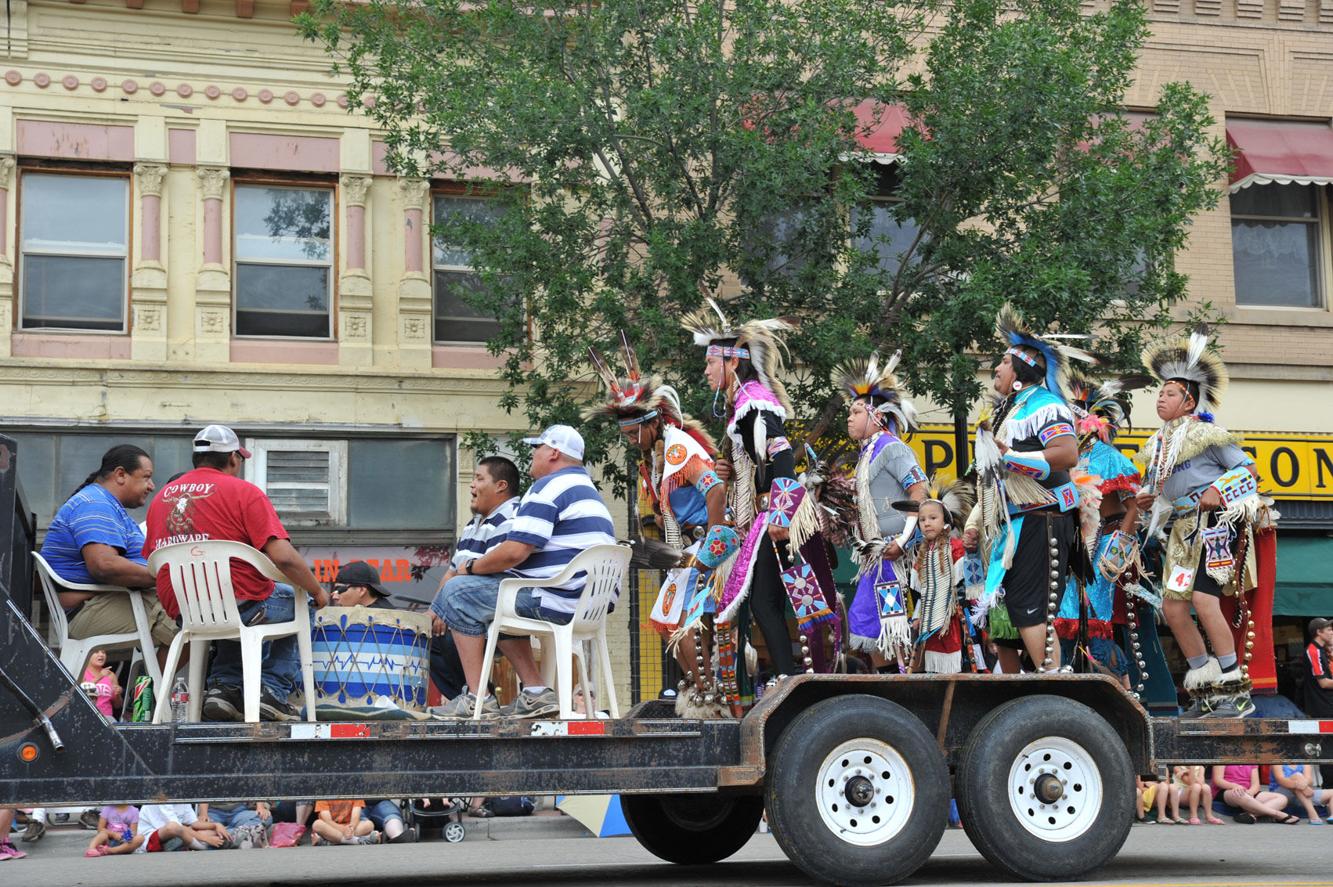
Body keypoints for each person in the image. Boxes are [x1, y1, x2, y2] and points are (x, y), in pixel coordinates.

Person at [143, 425, 329, 722]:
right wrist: (317, 591)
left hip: (186, 611)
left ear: (196, 458)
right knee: (298, 602)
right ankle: (271, 692)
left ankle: (223, 688)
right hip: (240, 605)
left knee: (234, 606)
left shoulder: (161, 498)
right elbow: (284, 557)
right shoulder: (244, 492)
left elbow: (154, 559)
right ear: (233, 458)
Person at [584, 336, 728, 716]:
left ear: (652, 423)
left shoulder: (678, 447)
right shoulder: (656, 456)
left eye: (634, 433)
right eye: (626, 435)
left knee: (683, 622)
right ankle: (701, 692)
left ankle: (710, 697)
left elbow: (716, 491)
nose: (631, 441)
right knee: (668, 622)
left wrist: (714, 549)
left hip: (706, 548)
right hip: (688, 552)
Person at [431, 425, 615, 718]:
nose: (533, 454)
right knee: (495, 602)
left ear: (553, 453)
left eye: (537, 448)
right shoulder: (588, 492)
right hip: (585, 603)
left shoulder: (548, 488)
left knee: (456, 593)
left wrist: (471, 567)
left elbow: (515, 551)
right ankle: (535, 692)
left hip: (555, 598)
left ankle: (478, 698)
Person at [682, 298, 809, 707]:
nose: (704, 371)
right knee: (762, 600)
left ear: (731, 364)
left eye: (709, 364)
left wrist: (780, 515)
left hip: (774, 517)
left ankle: (789, 682)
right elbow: (758, 463)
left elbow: (783, 456)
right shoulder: (743, 408)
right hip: (763, 515)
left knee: (763, 600)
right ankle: (785, 679)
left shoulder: (754, 404)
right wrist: (732, 473)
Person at [1135, 329, 1267, 718]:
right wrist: (1149, 500)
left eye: (1170, 393)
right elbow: (1160, 492)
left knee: (1205, 600)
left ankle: (1234, 689)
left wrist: (1221, 490)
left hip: (1214, 525)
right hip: (1180, 532)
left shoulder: (1209, 433)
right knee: (1174, 609)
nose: (1161, 397)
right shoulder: (1157, 445)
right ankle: (1206, 689)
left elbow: (1249, 470)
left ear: (1189, 400)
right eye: (1159, 392)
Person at [966, 307, 1089, 673]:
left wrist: (1012, 458)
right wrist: (976, 521)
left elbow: (1066, 454)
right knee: (1009, 614)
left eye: (1003, 361)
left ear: (1021, 370)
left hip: (1043, 520)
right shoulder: (1010, 411)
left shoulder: (1046, 405)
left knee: (1031, 608)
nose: (997, 368)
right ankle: (1028, 689)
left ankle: (1056, 685)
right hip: (1014, 525)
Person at [40, 444, 177, 666]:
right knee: (197, 618)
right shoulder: (95, 504)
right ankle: (148, 698)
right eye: (146, 477)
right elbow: (104, 565)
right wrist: (167, 576)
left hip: (107, 604)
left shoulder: (103, 504)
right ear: (121, 474)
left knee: (197, 614)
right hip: (90, 611)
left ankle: (147, 694)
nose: (152, 486)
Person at [834, 352, 929, 666]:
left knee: (892, 626)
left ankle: (901, 689)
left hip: (894, 556)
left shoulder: (892, 448)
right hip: (876, 555)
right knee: (873, 627)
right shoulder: (867, 455)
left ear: (876, 415)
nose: (849, 417)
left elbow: (920, 491)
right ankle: (885, 689)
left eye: (856, 411)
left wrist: (902, 542)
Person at [1054, 372, 1148, 684]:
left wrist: (1121, 537)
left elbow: (1135, 501)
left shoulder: (1107, 456)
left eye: (1071, 416)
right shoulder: (1067, 458)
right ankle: (1077, 687)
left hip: (1105, 540)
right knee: (1067, 616)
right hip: (1073, 542)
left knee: (1096, 617)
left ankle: (1123, 692)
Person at [427, 456, 521, 702]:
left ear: (500, 486)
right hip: (467, 602)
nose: (472, 486)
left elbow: (494, 568)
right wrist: (434, 611)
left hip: (498, 604)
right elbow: (452, 570)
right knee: (428, 637)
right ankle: (471, 698)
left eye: (479, 478)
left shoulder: (513, 516)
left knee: (447, 637)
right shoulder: (473, 524)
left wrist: (448, 607)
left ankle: (479, 697)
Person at [897, 482, 975, 674]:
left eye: (933, 518)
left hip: (954, 617)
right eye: (922, 520)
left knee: (958, 662)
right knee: (931, 662)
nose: (927, 523)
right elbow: (920, 592)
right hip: (928, 619)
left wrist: (964, 609)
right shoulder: (922, 553)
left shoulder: (955, 547)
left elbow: (968, 583)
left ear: (945, 522)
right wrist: (917, 616)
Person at [1212, 764, 1300, 824]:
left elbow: (1256, 785)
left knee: (1282, 798)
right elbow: (1218, 780)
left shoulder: (1250, 758)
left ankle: (1249, 815)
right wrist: (1234, 786)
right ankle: (1278, 814)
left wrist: (1250, 792)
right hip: (1227, 790)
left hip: (1247, 791)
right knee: (1240, 794)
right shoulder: (1222, 756)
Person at [134, 804, 227, 852]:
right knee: (173, 827)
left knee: (211, 831)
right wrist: (207, 839)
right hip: (150, 839)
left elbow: (194, 823)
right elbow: (178, 827)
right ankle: (204, 847)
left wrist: (216, 825)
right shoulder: (160, 797)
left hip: (178, 835)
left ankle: (228, 838)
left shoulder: (181, 796)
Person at [311, 799, 377, 846]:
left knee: (369, 825)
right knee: (317, 824)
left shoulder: (354, 791)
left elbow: (355, 817)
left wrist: (351, 828)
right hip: (331, 828)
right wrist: (344, 830)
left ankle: (333, 841)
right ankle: (356, 841)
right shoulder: (324, 794)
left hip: (349, 827)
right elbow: (327, 820)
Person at [1302, 617, 1333, 718]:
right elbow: (1323, 683)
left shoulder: (1321, 650)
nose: (1332, 632)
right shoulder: (1313, 651)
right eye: (1329, 630)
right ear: (1319, 632)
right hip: (1322, 708)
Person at [82, 648, 122, 719]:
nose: (101, 655)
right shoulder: (82, 672)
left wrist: (117, 694)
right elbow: (79, 693)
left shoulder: (111, 675)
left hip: (107, 717)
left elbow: (117, 705)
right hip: (86, 716)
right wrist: (100, 676)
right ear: (88, 654)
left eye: (103, 652)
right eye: (96, 652)